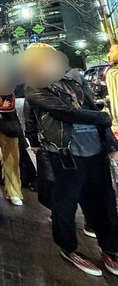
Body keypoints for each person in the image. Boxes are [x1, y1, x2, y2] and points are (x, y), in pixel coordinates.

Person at [25, 43, 118, 277]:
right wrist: (103, 117)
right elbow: (66, 113)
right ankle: (68, 248)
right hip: (64, 154)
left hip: (95, 150)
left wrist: (110, 143)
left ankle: (110, 248)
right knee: (65, 203)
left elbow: (91, 106)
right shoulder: (35, 87)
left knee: (103, 200)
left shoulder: (75, 79)